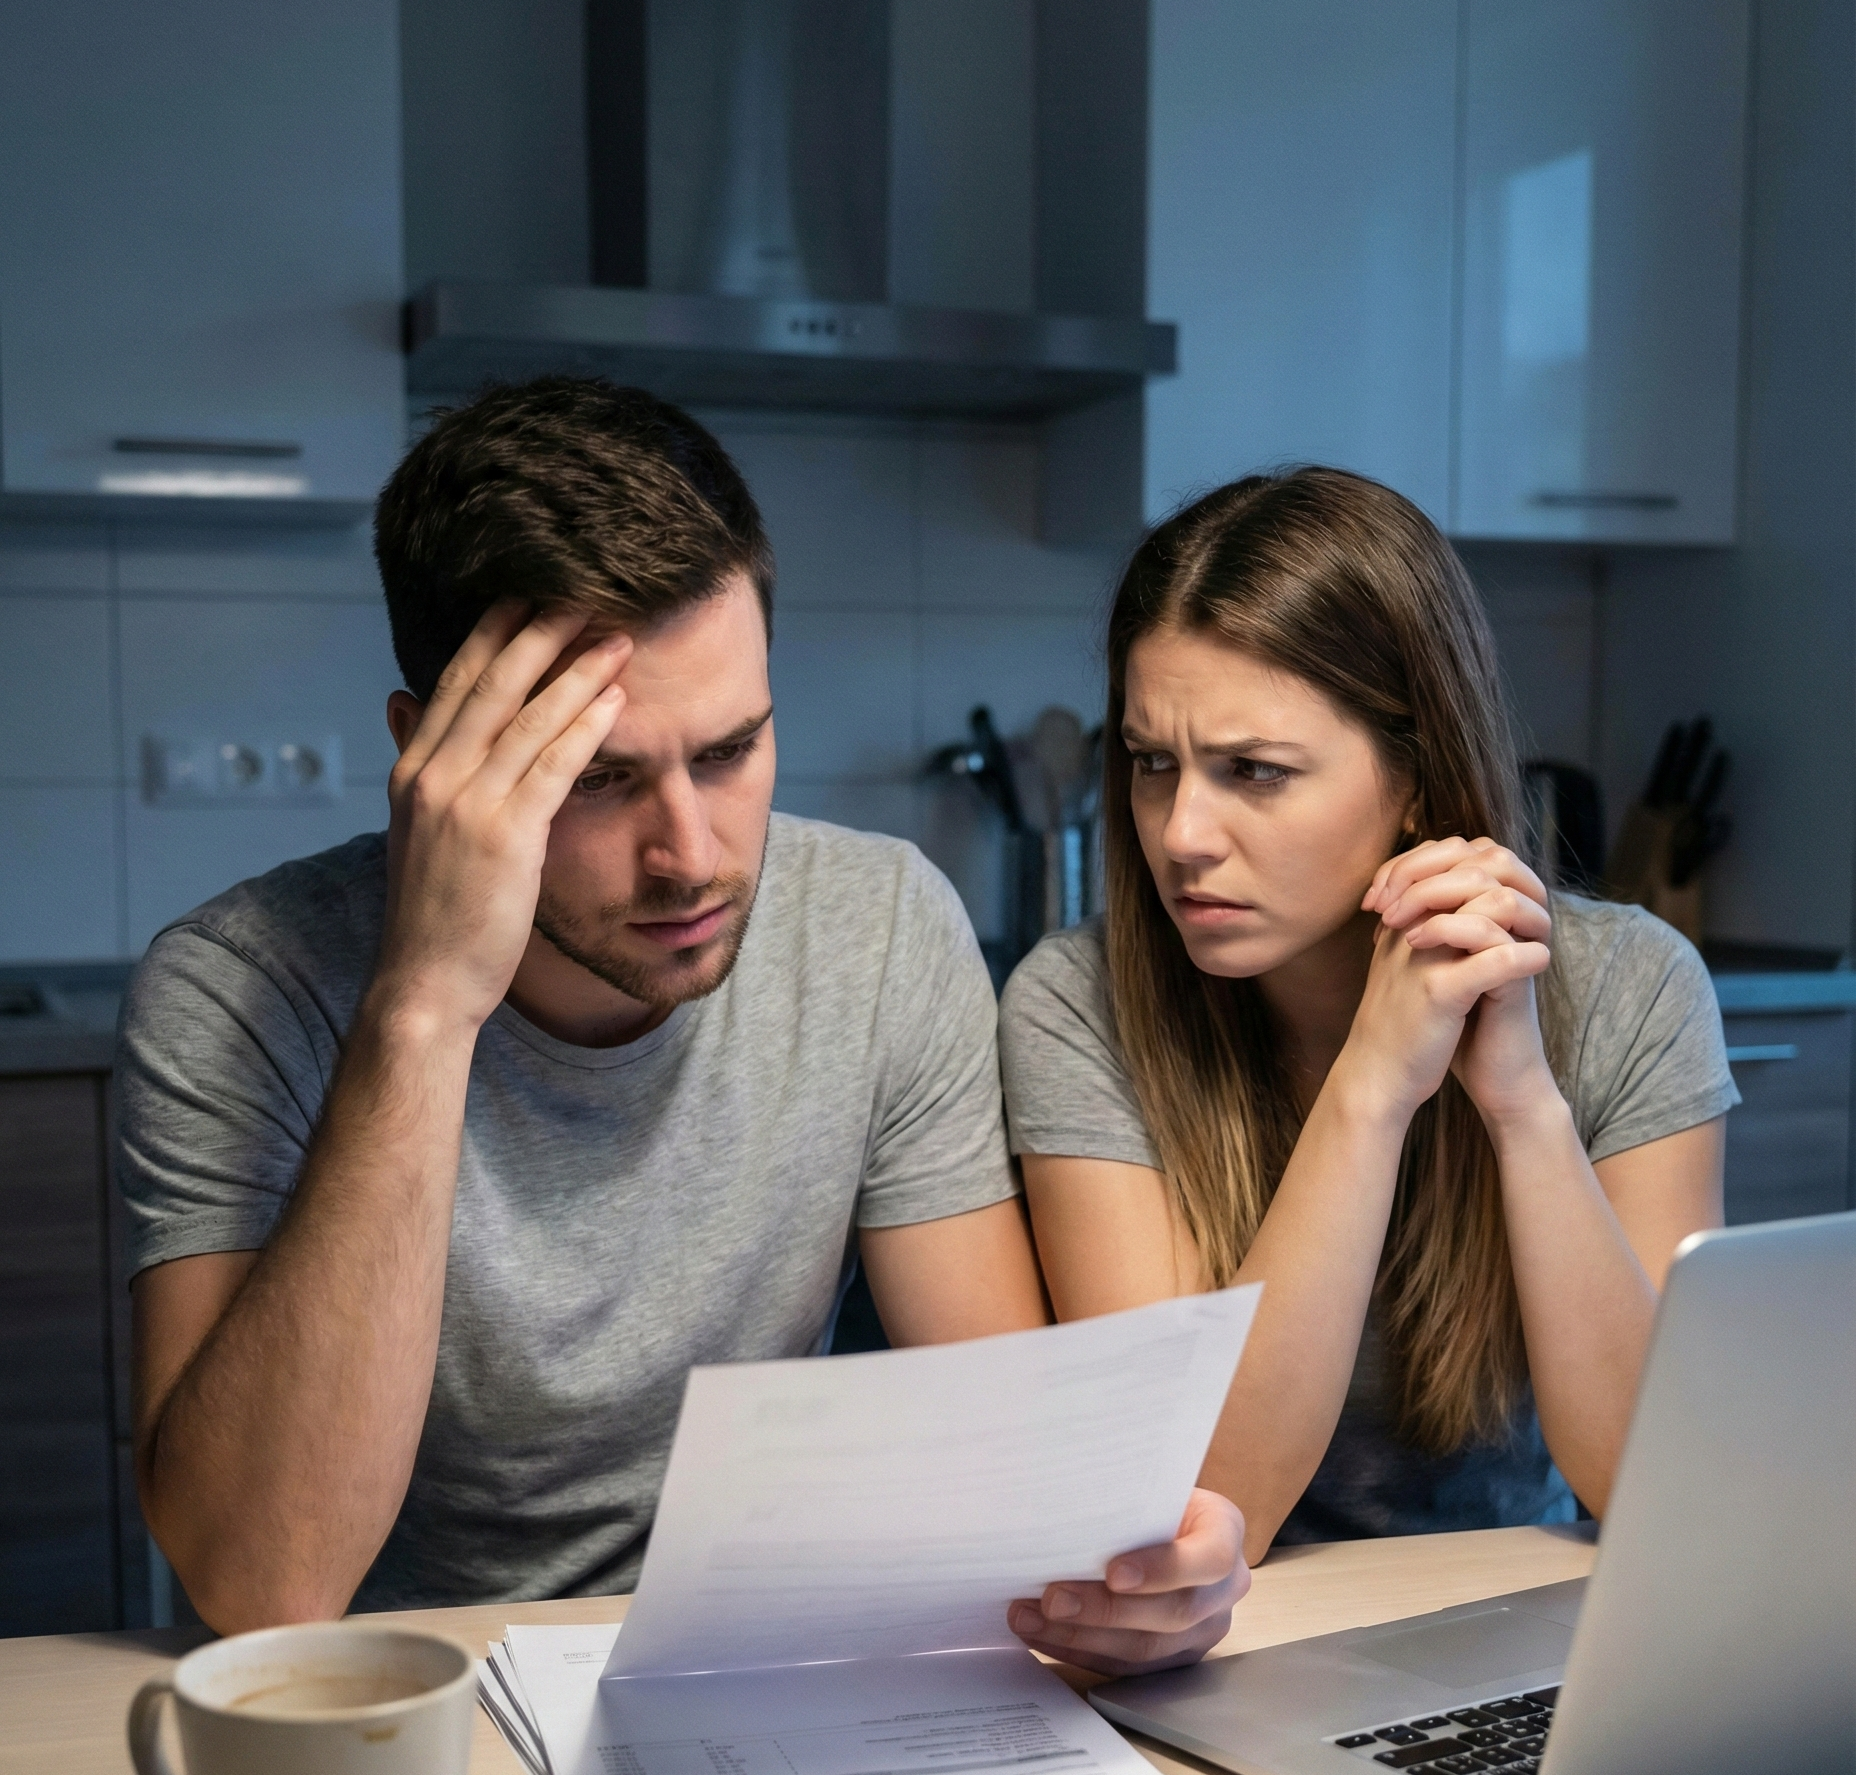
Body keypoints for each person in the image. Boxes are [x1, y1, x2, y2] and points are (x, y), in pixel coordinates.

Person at [119, 377, 1243, 1670]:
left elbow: (1002, 1463)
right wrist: (423, 1008)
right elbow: (264, 1583)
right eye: (596, 781)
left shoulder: (876, 928)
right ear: (429, 759)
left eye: (730, 751)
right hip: (413, 1716)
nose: (692, 856)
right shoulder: (231, 993)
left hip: (770, 1678)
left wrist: (1133, 1565)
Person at [1001, 467, 1739, 1561]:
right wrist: (1369, 1090)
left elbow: (1658, 1489)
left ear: (1414, 777)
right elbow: (1195, 1510)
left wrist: (1522, 1103)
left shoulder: (1633, 985)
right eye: (1151, 762)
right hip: (1215, 1645)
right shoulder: (1077, 1004)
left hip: (1509, 1635)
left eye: (1252, 770)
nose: (1179, 832)